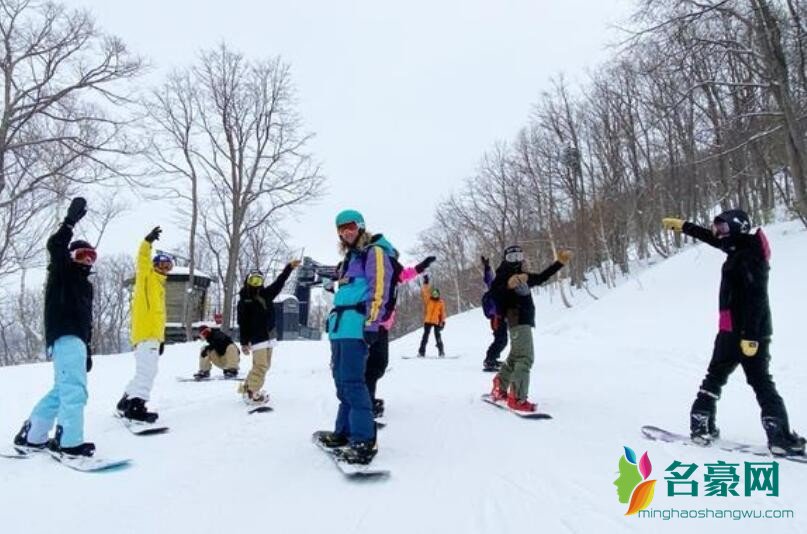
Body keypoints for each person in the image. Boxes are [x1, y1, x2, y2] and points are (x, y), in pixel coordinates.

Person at [662, 210, 805, 456]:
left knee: (759, 382)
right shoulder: (737, 248)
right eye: (717, 227)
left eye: (723, 228)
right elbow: (713, 239)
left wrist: (750, 336)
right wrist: (685, 226)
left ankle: (778, 436)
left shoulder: (750, 256)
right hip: (730, 330)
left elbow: (756, 298)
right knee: (717, 375)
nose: (719, 233)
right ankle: (702, 426)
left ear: (738, 228)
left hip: (749, 333)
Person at [13, 197, 98, 458]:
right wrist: (69, 222)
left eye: (91, 256)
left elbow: (87, 321)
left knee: (63, 389)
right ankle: (69, 442)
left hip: (75, 340)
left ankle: (32, 435)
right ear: (71, 257)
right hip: (64, 333)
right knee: (75, 390)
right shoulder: (63, 272)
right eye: (81, 255)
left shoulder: (86, 286)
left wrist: (87, 349)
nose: (86, 261)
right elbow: (55, 245)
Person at [315, 209, 396, 464]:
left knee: (353, 382)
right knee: (341, 382)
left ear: (360, 226)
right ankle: (344, 432)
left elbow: (379, 289)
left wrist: (372, 324)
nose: (345, 232)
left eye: (350, 226)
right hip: (340, 328)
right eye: (340, 228)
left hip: (357, 326)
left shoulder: (375, 252)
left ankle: (363, 440)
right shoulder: (351, 257)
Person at [489, 245, 571, 412]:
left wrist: (559, 262)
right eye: (512, 257)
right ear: (505, 259)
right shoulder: (502, 275)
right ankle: (517, 398)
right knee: (525, 358)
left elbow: (541, 277)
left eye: (519, 256)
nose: (516, 261)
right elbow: (494, 294)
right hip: (517, 318)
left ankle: (500, 385)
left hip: (522, 318)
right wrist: (507, 286)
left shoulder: (522, 276)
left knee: (515, 356)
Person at [116, 226, 172, 423]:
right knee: (147, 372)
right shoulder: (147, 278)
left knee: (145, 371)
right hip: (145, 335)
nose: (164, 269)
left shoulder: (160, 287)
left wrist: (161, 340)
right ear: (154, 265)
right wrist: (147, 242)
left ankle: (125, 402)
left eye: (168, 267)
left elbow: (158, 318)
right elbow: (142, 260)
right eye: (162, 265)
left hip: (152, 336)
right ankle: (136, 407)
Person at [369, 255, 436, 418]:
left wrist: (421, 267)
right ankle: (365, 404)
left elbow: (404, 275)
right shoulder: (373, 262)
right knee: (371, 366)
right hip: (372, 323)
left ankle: (368, 399)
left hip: (382, 324)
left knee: (378, 365)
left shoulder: (390, 265)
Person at [236, 260, 301, 404]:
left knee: (264, 365)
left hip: (270, 336)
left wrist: (288, 268)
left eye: (259, 280)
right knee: (261, 366)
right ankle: (252, 393)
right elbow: (243, 324)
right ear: (248, 281)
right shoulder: (244, 301)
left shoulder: (267, 294)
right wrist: (244, 343)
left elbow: (280, 282)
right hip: (257, 337)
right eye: (253, 280)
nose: (256, 283)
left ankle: (246, 388)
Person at [481, 255, 507, 371]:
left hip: (502, 316)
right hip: (496, 317)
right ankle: (489, 360)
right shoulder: (494, 286)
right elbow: (488, 279)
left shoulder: (505, 286)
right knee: (501, 339)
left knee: (502, 339)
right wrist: (487, 267)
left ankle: (492, 358)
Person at [417, 274, 446, 357]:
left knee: (438, 336)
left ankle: (441, 352)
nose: (435, 295)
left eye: (436, 293)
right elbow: (425, 292)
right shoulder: (428, 300)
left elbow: (443, 313)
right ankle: (421, 352)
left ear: (438, 294)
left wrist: (442, 322)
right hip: (428, 320)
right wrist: (426, 282)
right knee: (425, 337)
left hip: (436, 321)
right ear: (432, 294)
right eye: (433, 293)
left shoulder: (441, 302)